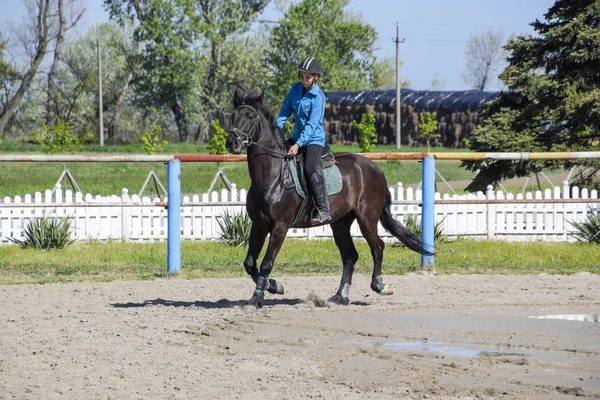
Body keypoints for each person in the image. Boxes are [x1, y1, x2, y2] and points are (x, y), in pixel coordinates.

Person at [277, 56, 331, 224]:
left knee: (309, 169)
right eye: (302, 76)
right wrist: (276, 128)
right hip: (296, 137)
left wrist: (297, 145)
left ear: (315, 77)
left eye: (308, 76)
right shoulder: (295, 89)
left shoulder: (318, 97)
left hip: (313, 139)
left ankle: (323, 209)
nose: (304, 79)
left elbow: (311, 126)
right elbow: (285, 111)